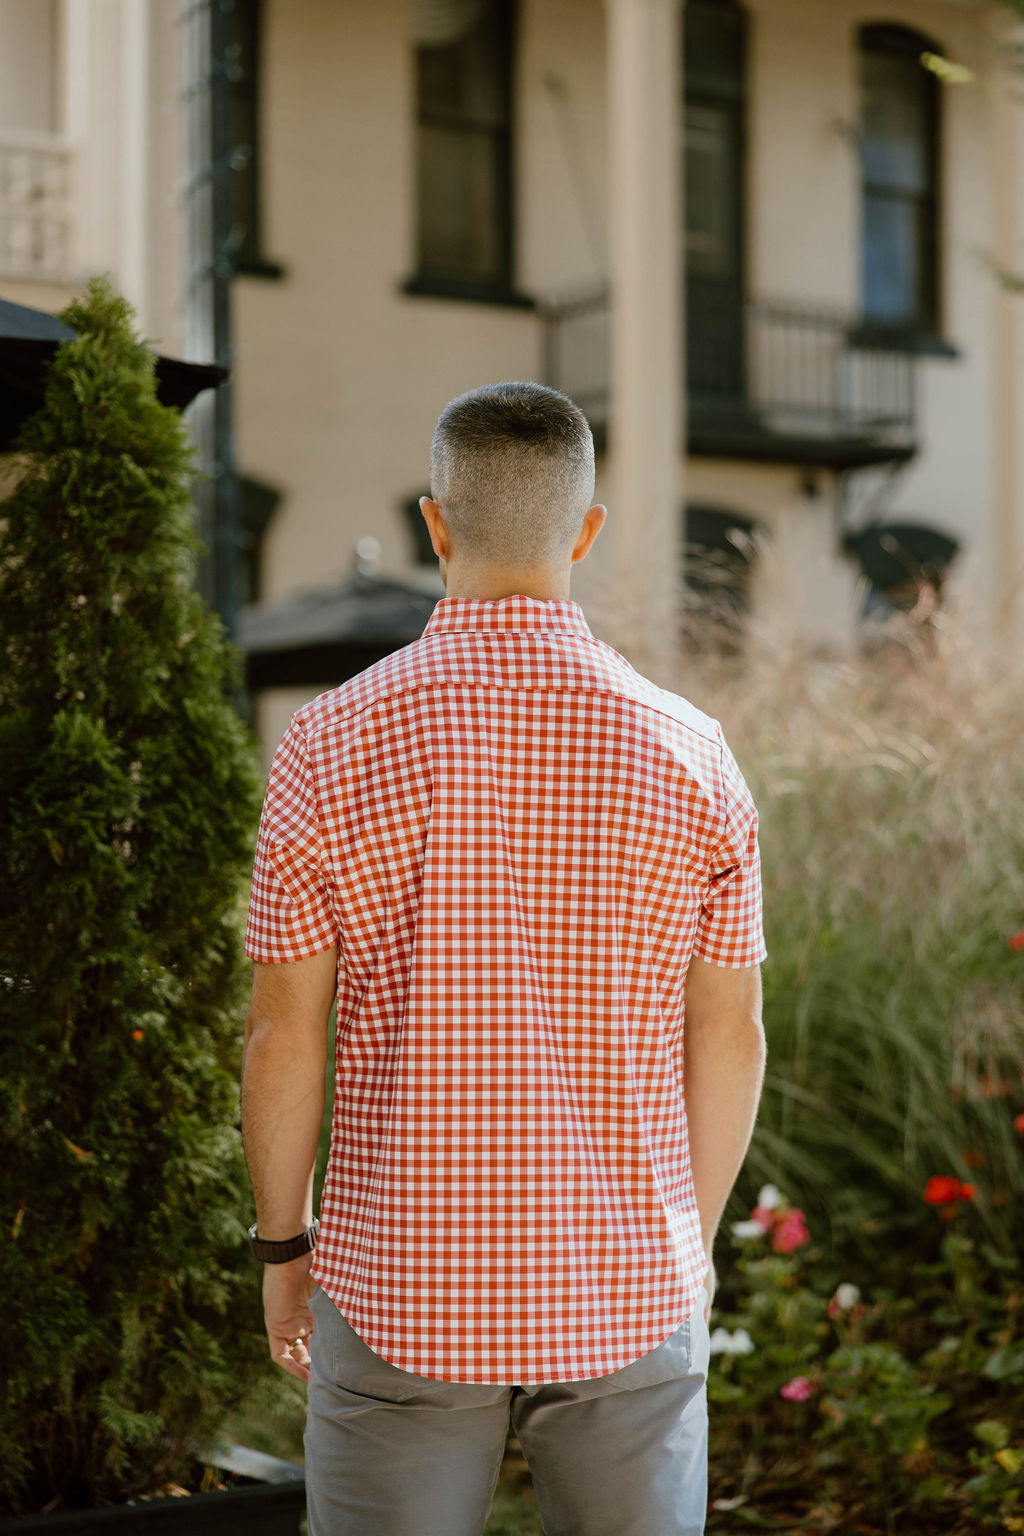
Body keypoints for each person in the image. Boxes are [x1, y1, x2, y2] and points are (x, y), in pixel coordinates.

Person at [240, 381, 767, 1536]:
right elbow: (727, 1036)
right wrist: (693, 1246)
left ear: (435, 524)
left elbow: (285, 1029)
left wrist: (284, 1247)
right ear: (586, 530)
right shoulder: (693, 755)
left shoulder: (326, 741)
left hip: (396, 1285)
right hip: (630, 1277)